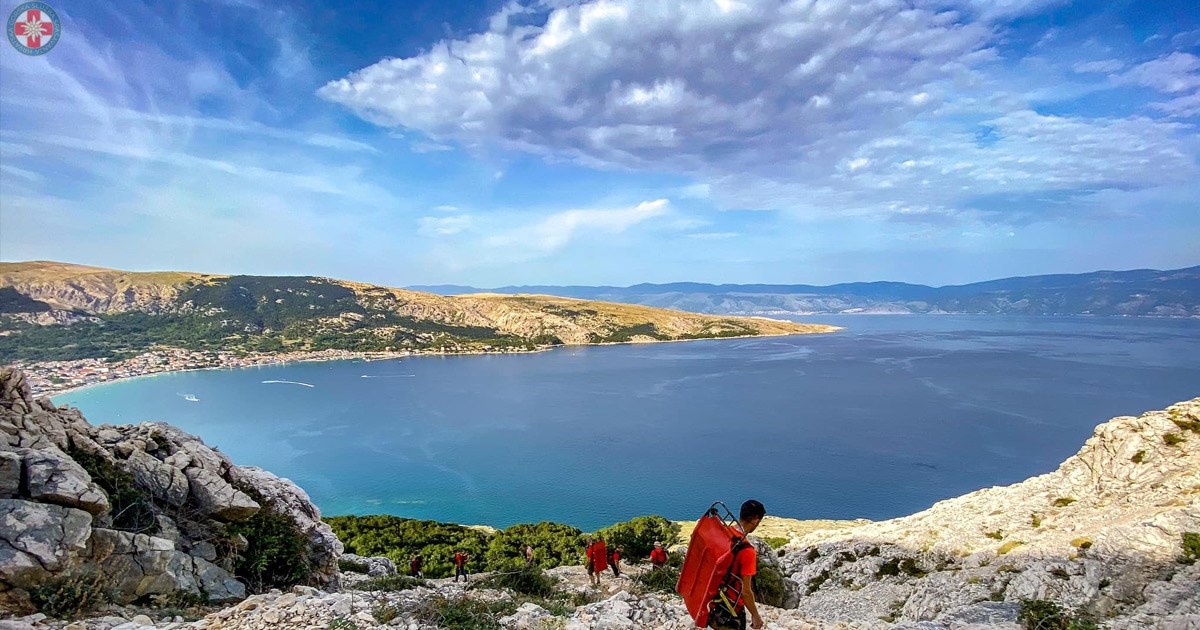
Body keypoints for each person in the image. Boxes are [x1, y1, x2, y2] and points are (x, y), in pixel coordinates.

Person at [718, 500, 766, 630]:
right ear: (756, 520)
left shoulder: (723, 532)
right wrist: (755, 616)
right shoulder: (747, 551)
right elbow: (745, 591)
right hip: (730, 607)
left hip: (711, 599)